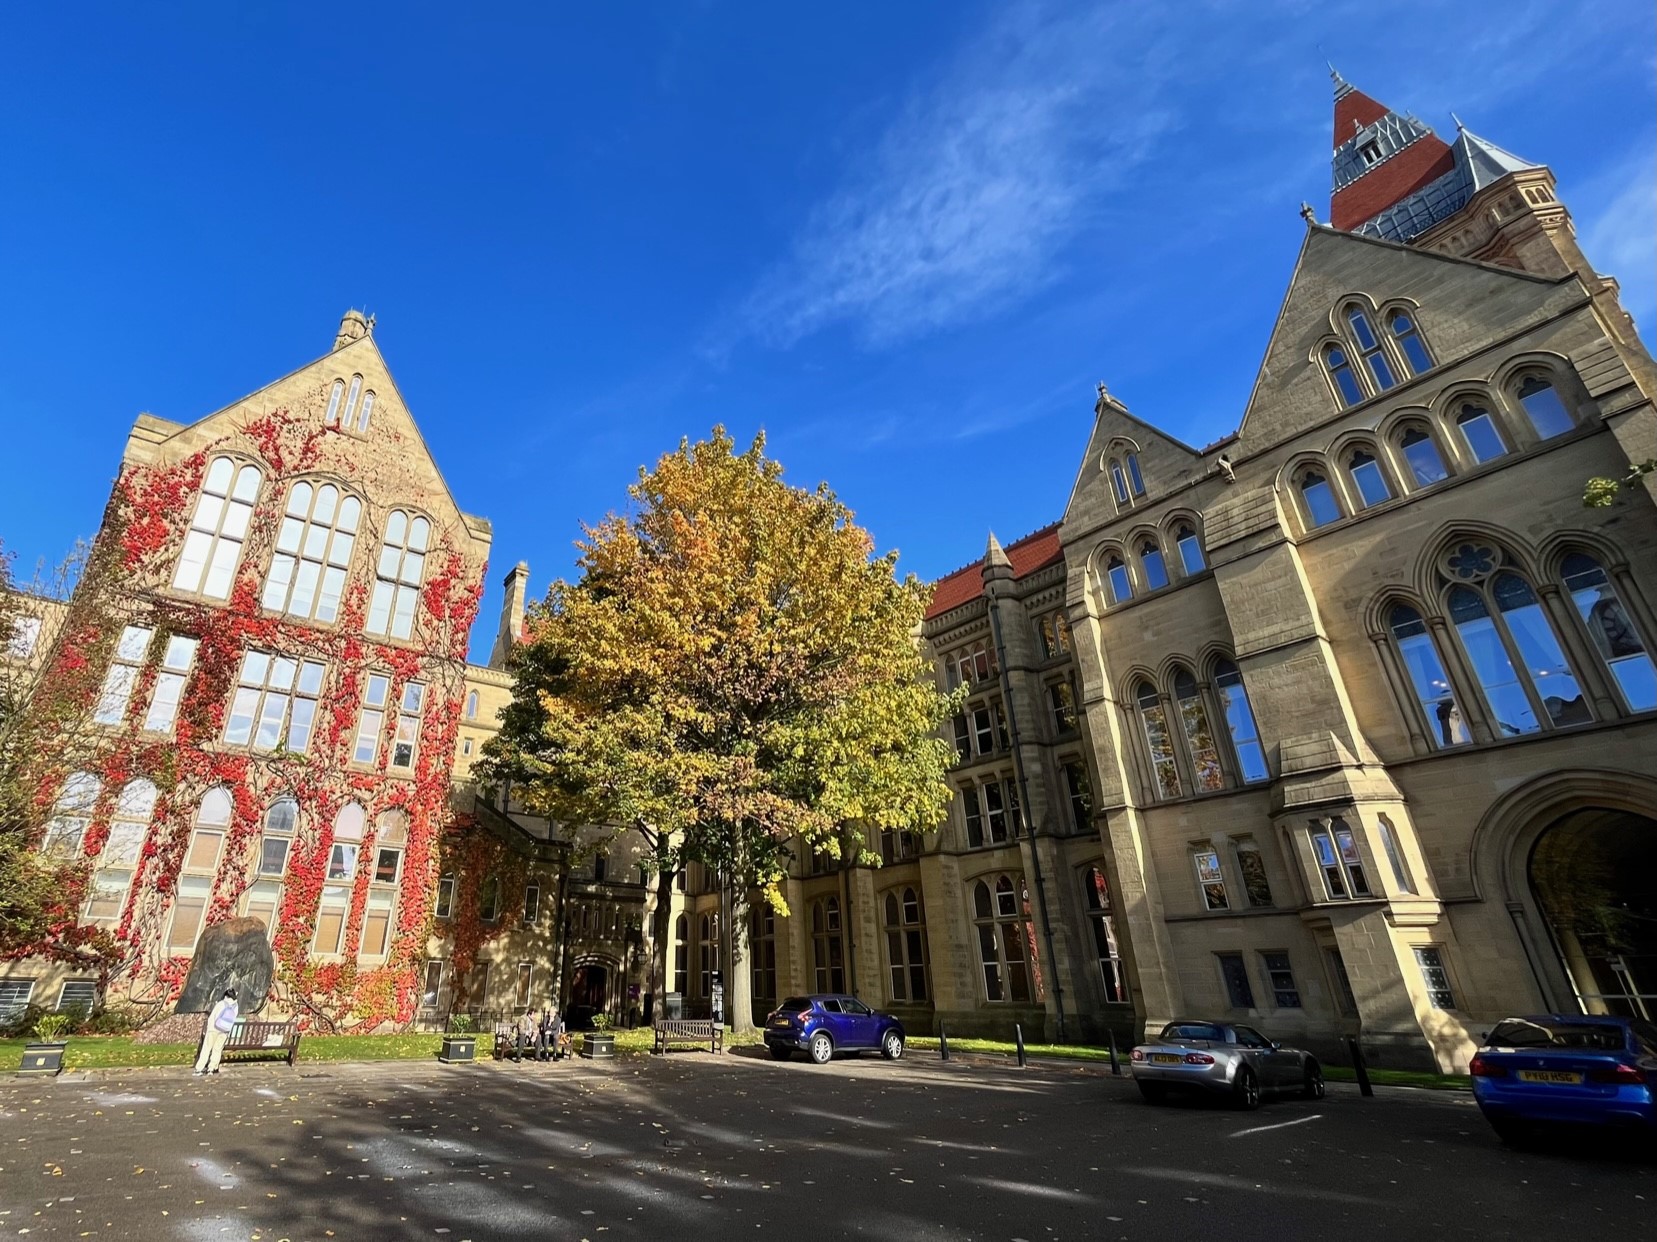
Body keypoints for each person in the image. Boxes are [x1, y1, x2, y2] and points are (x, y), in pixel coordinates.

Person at [194, 989, 239, 1076]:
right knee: (217, 1049)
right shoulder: (236, 1006)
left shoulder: (221, 1004)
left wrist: (208, 1028)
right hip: (225, 1030)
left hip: (214, 1029)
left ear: (225, 996)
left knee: (206, 1048)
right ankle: (212, 1068)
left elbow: (213, 1017)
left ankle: (199, 1068)